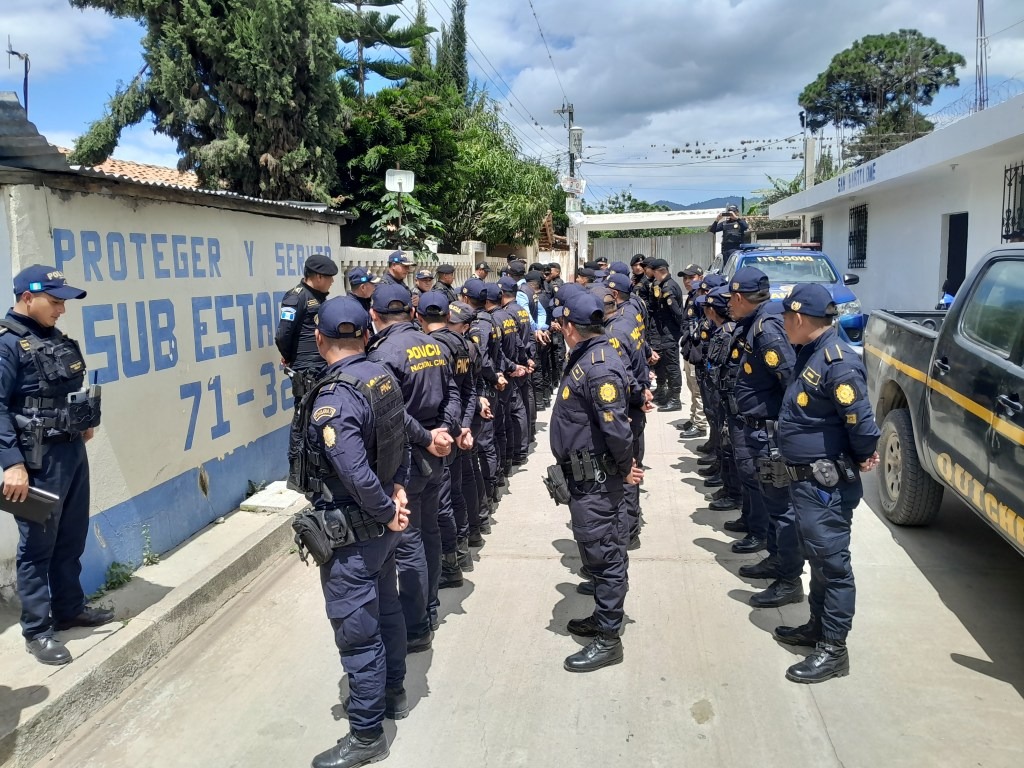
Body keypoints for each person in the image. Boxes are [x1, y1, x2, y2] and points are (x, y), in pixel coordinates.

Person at [293, 296, 410, 768]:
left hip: (357, 530)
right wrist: (397, 490)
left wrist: (384, 509)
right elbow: (399, 435)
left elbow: (356, 472)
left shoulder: (335, 397)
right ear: (366, 335)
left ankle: (366, 735)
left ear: (320, 339)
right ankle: (392, 693)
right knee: (387, 612)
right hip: (378, 527)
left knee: (358, 632)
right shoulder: (380, 376)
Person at [1, 265, 109, 666]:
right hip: (34, 460)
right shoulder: (7, 344)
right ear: (28, 297)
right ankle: (38, 631)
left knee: (71, 537)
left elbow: (61, 391)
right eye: (55, 300)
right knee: (37, 547)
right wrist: (11, 463)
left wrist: (81, 423)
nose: (62, 309)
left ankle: (69, 609)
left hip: (69, 452)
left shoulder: (53, 338)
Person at [774, 283, 880, 683]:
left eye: (786, 318)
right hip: (806, 484)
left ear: (799, 318)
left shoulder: (838, 361)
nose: (783, 324)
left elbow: (862, 425)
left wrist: (860, 455)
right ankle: (817, 627)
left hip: (826, 486)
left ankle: (834, 649)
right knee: (819, 559)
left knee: (833, 564)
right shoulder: (812, 353)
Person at [549, 291, 643, 672]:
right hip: (586, 476)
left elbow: (618, 429)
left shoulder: (599, 365)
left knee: (605, 554)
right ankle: (603, 618)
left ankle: (609, 638)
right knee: (596, 550)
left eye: (562, 325)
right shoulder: (588, 357)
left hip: (599, 479)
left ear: (571, 328)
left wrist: (625, 467)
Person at [366, 285, 458, 652]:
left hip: (410, 457)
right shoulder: (433, 344)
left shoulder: (382, 353)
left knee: (410, 542)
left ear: (374, 315)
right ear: (411, 311)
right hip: (436, 450)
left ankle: (418, 625)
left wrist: (426, 437)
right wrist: (443, 433)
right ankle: (430, 606)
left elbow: (391, 412)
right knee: (429, 531)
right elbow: (453, 392)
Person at [724, 267, 804, 609]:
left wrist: (787, 430)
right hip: (757, 429)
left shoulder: (767, 329)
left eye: (731, 298)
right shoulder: (756, 322)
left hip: (769, 433)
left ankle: (789, 579)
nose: (728, 304)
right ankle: (776, 559)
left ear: (740, 298)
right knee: (773, 504)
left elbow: (789, 380)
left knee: (782, 507)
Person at [416, 291, 477, 589]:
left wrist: (447, 430)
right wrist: (463, 426)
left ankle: (450, 563)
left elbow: (443, 394)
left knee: (441, 503)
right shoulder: (463, 345)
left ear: (419, 317)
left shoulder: (433, 347)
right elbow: (467, 391)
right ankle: (460, 552)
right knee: (453, 493)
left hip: (439, 434)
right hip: (455, 428)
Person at [275, 253, 339, 397]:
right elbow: (282, 334)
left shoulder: (319, 296)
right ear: (319, 277)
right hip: (307, 369)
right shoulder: (296, 297)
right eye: (330, 277)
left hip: (323, 365)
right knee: (305, 412)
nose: (333, 281)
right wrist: (288, 356)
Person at [648, 259, 684, 411]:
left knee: (672, 366)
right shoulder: (662, 285)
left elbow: (678, 314)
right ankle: (668, 395)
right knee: (664, 364)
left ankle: (675, 399)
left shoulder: (669, 287)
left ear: (658, 271)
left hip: (670, 333)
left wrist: (677, 332)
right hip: (664, 334)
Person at [678, 264, 708, 436]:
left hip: (697, 349)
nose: (687, 281)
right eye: (685, 278)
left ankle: (700, 424)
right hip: (689, 347)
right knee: (691, 386)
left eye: (691, 277)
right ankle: (694, 418)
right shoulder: (691, 296)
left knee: (697, 388)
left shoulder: (701, 297)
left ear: (700, 277)